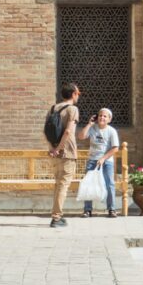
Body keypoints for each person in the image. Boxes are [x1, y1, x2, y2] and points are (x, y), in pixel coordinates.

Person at [77, 107, 120, 218]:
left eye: (105, 116)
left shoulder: (111, 131)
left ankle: (112, 209)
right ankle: (87, 210)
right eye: (100, 115)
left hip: (106, 162)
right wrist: (89, 124)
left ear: (109, 119)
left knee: (109, 184)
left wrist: (103, 158)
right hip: (92, 160)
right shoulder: (93, 128)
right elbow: (81, 136)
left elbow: (115, 148)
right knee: (89, 183)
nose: (102, 117)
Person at [48, 83, 80, 228]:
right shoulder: (73, 109)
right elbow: (68, 132)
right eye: (78, 93)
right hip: (66, 152)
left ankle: (57, 215)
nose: (78, 96)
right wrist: (59, 149)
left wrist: (52, 148)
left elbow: (47, 130)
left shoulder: (53, 108)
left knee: (58, 185)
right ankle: (56, 217)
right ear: (73, 94)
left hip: (54, 152)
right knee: (63, 185)